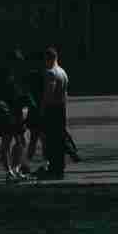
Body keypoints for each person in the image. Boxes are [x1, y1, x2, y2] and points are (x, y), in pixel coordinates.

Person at [0, 48, 31, 182]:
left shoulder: (15, 74)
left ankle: (14, 169)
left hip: (15, 112)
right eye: (16, 61)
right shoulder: (1, 75)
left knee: (21, 141)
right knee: (7, 143)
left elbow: (18, 93)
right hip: (6, 114)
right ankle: (9, 171)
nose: (18, 64)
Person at [36, 46, 71, 180]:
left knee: (51, 141)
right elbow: (66, 94)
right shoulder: (63, 72)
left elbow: (48, 94)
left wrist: (42, 110)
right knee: (59, 140)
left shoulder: (51, 73)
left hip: (52, 109)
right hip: (61, 108)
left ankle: (53, 170)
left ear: (48, 58)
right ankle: (59, 169)